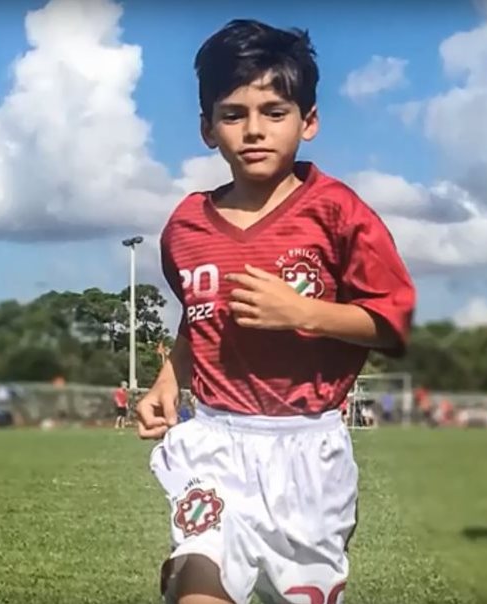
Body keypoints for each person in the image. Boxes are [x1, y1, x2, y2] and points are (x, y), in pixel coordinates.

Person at [136, 19, 415, 604]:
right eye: (233, 114)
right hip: (212, 440)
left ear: (307, 121)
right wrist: (170, 378)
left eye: (274, 111)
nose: (254, 129)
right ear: (207, 128)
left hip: (306, 452)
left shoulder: (338, 213)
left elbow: (393, 324)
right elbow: (199, 313)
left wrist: (303, 312)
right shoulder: (185, 226)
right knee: (197, 582)